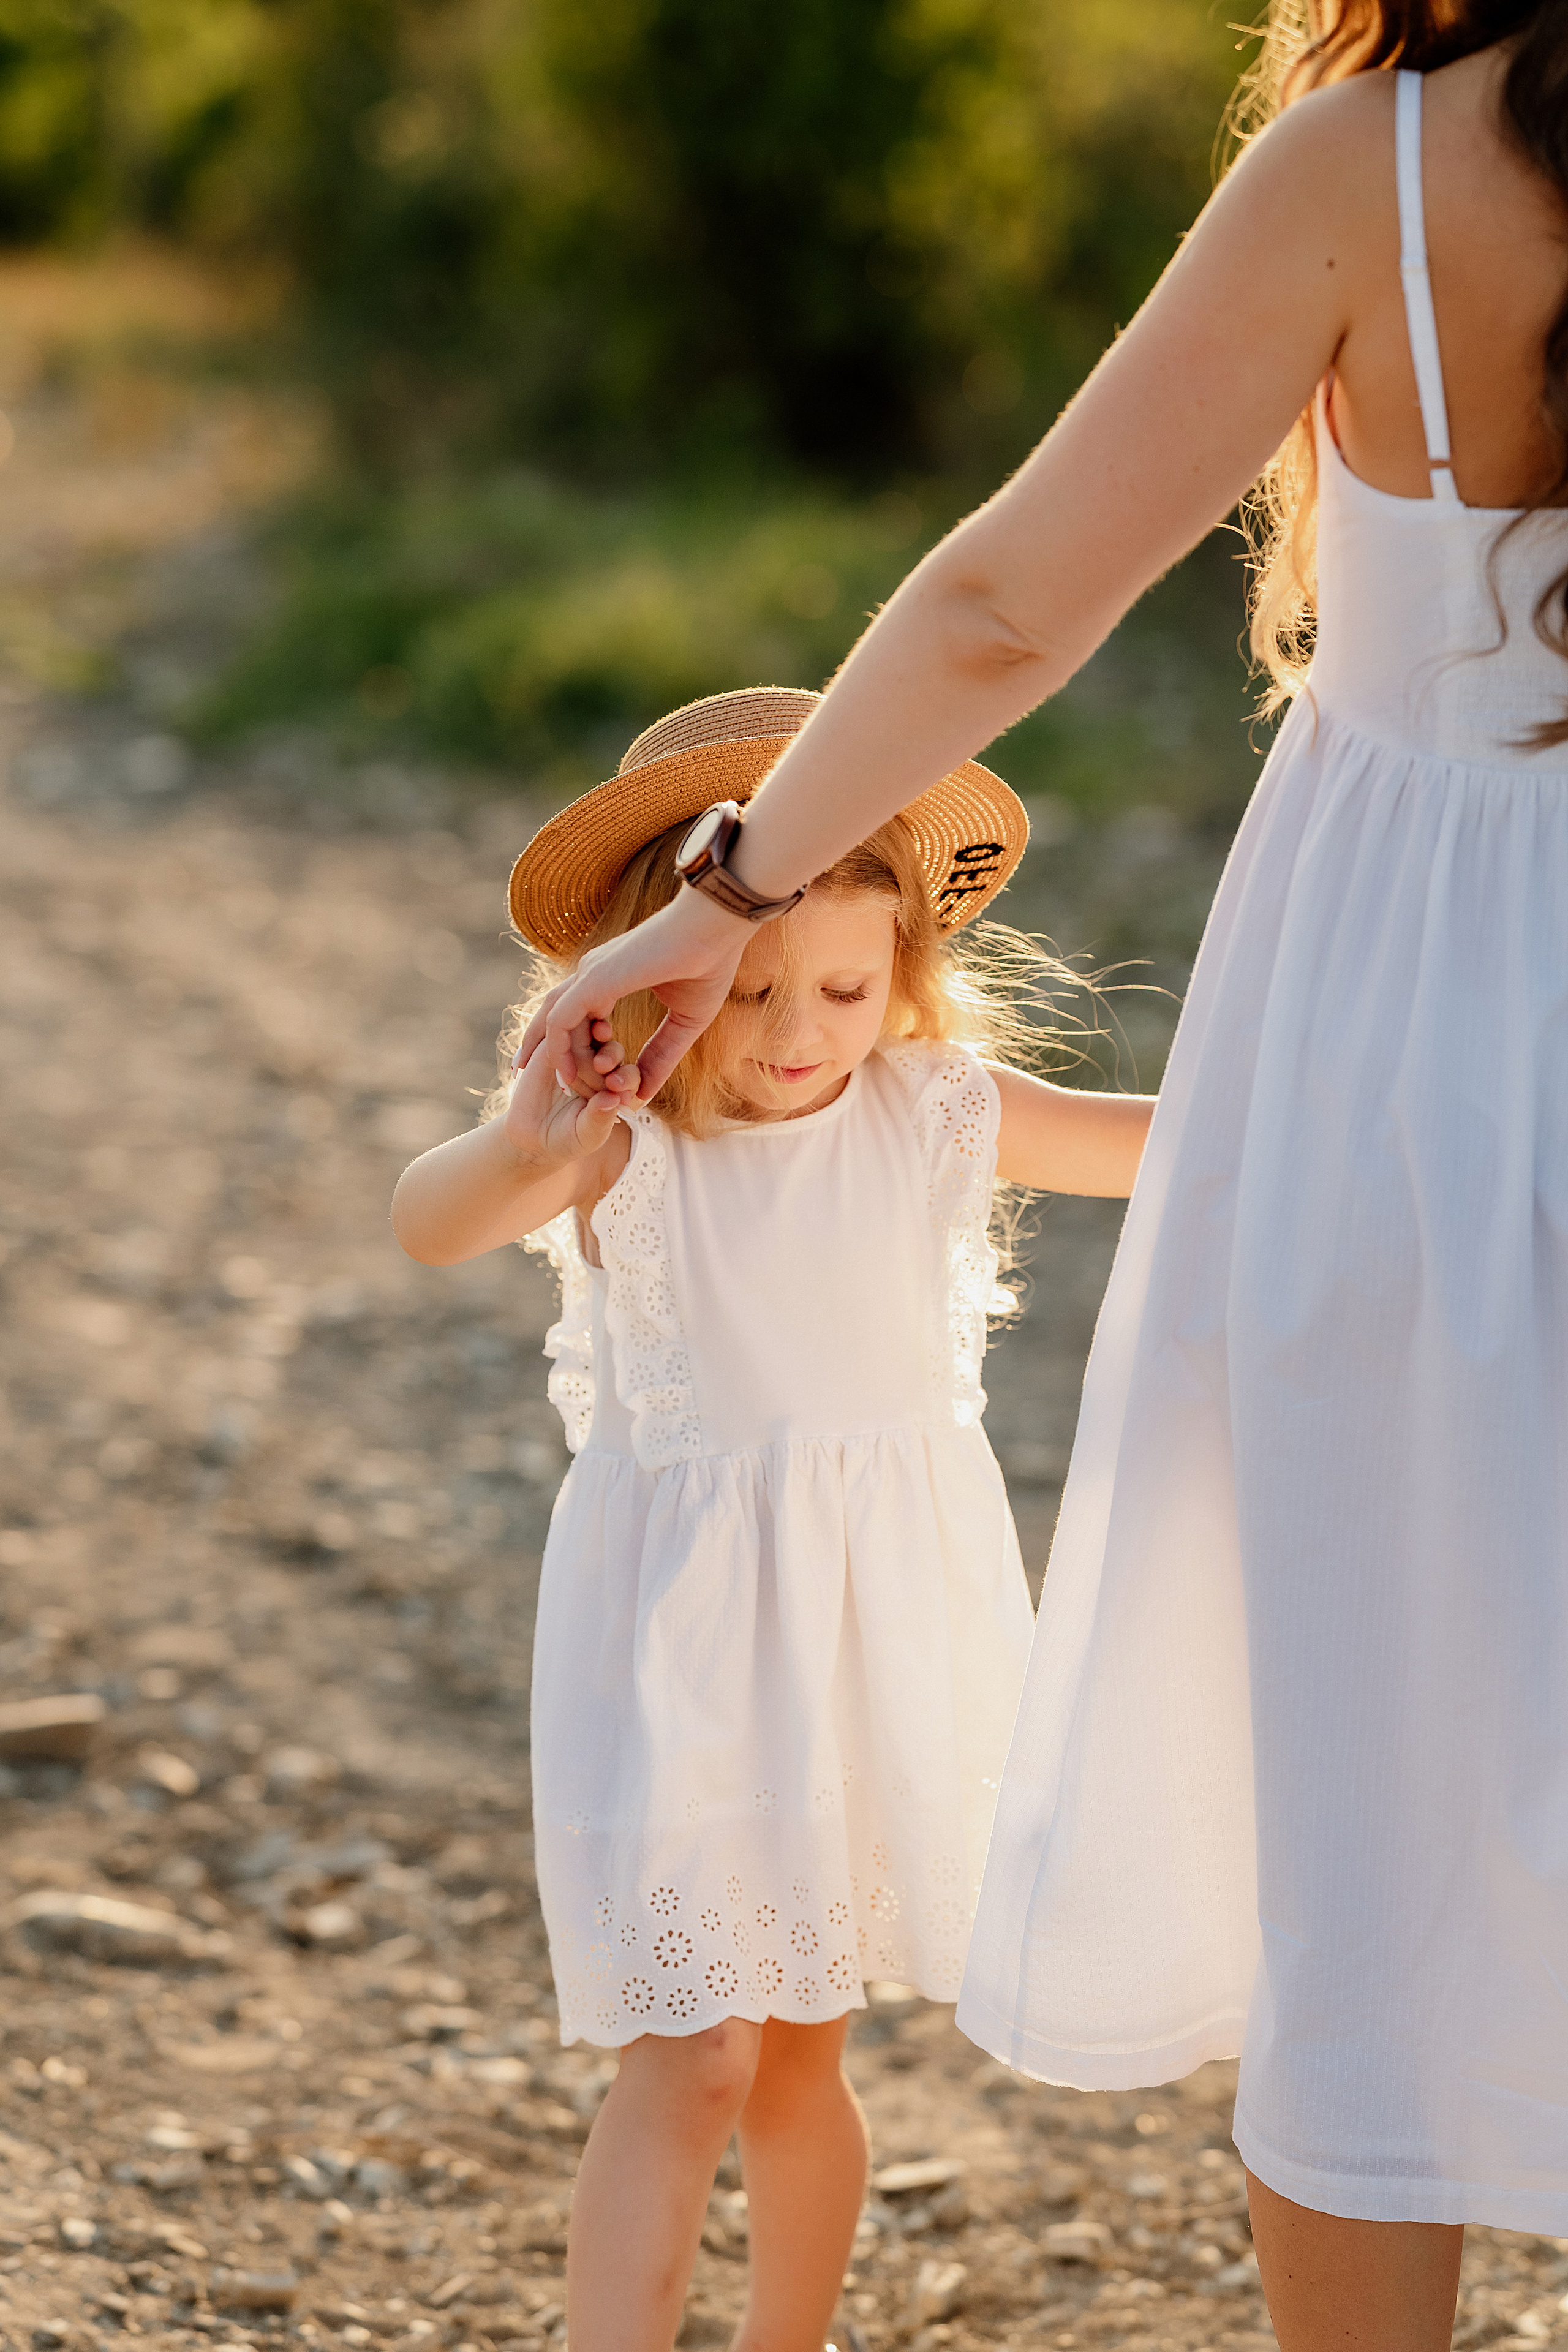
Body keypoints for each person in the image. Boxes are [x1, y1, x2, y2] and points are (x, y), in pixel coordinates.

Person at [521, 7, 1568, 2346]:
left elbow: (1007, 608)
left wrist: (728, 889)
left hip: (1411, 1038)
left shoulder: (1376, 175)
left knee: (1368, 1813)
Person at [390, 685, 1153, 2352]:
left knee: (807, 2050)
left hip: (879, 1641)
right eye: (745, 990)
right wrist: (533, 1125)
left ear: (903, 979)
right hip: (689, 1651)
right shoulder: (623, 1144)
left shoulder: (937, 1109)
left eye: (844, 987)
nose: (797, 1028)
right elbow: (432, 1222)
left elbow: (1175, 1154)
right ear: (660, 975)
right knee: (699, 2052)